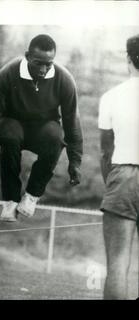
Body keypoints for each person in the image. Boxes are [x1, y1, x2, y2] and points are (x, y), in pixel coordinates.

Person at [0, 34, 83, 222]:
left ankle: (32, 195)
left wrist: (75, 162)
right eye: (38, 63)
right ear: (27, 56)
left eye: (48, 64)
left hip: (43, 129)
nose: (43, 70)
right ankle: (10, 199)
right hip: (14, 124)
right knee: (10, 134)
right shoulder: (8, 73)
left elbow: (72, 124)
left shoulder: (64, 79)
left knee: (56, 135)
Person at [98, 34, 139, 300]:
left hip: (123, 177)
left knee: (117, 267)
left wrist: (111, 184)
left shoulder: (112, 96)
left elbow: (105, 150)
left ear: (128, 59)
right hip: (123, 175)